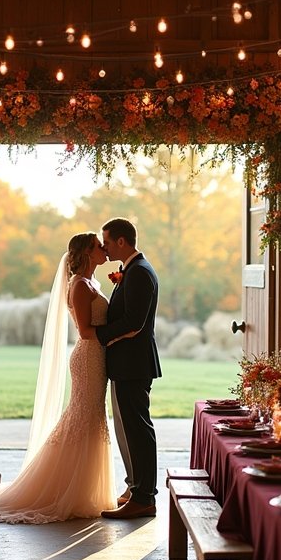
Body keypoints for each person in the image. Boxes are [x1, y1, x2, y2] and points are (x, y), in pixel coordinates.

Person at [0, 232, 117, 523]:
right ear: (87, 253)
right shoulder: (79, 285)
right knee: (82, 418)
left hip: (96, 357)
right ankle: (64, 490)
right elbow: (86, 331)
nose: (104, 250)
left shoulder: (92, 283)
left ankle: (85, 488)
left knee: (89, 418)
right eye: (98, 246)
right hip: (88, 357)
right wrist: (122, 333)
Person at [96, 217, 162, 520]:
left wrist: (100, 336)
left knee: (137, 429)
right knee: (126, 428)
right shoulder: (131, 271)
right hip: (126, 364)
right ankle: (135, 487)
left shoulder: (140, 273)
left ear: (122, 241)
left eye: (107, 241)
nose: (104, 247)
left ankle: (145, 498)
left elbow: (135, 323)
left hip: (134, 364)